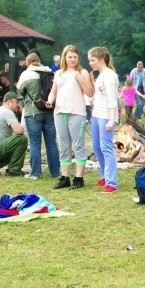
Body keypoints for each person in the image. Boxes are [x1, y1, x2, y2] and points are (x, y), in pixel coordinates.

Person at [50, 45, 95, 190]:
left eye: (75, 57)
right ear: (65, 58)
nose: (73, 59)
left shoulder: (83, 72)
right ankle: (65, 177)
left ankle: (79, 178)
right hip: (59, 112)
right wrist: (50, 101)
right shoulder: (58, 73)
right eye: (70, 57)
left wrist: (79, 78)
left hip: (77, 113)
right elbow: (53, 91)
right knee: (63, 145)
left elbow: (90, 92)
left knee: (78, 144)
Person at [17, 52, 58, 180]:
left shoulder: (26, 74)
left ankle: (35, 173)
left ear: (28, 63)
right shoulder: (49, 71)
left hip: (33, 112)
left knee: (35, 143)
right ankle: (55, 172)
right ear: (39, 60)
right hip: (49, 110)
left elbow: (20, 90)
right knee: (51, 143)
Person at [88, 46, 120, 193]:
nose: (90, 63)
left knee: (106, 147)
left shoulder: (109, 75)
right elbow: (102, 95)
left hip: (106, 115)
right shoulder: (100, 75)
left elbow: (113, 99)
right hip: (97, 114)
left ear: (101, 60)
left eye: (92, 60)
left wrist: (111, 120)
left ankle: (112, 182)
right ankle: (104, 176)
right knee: (96, 146)